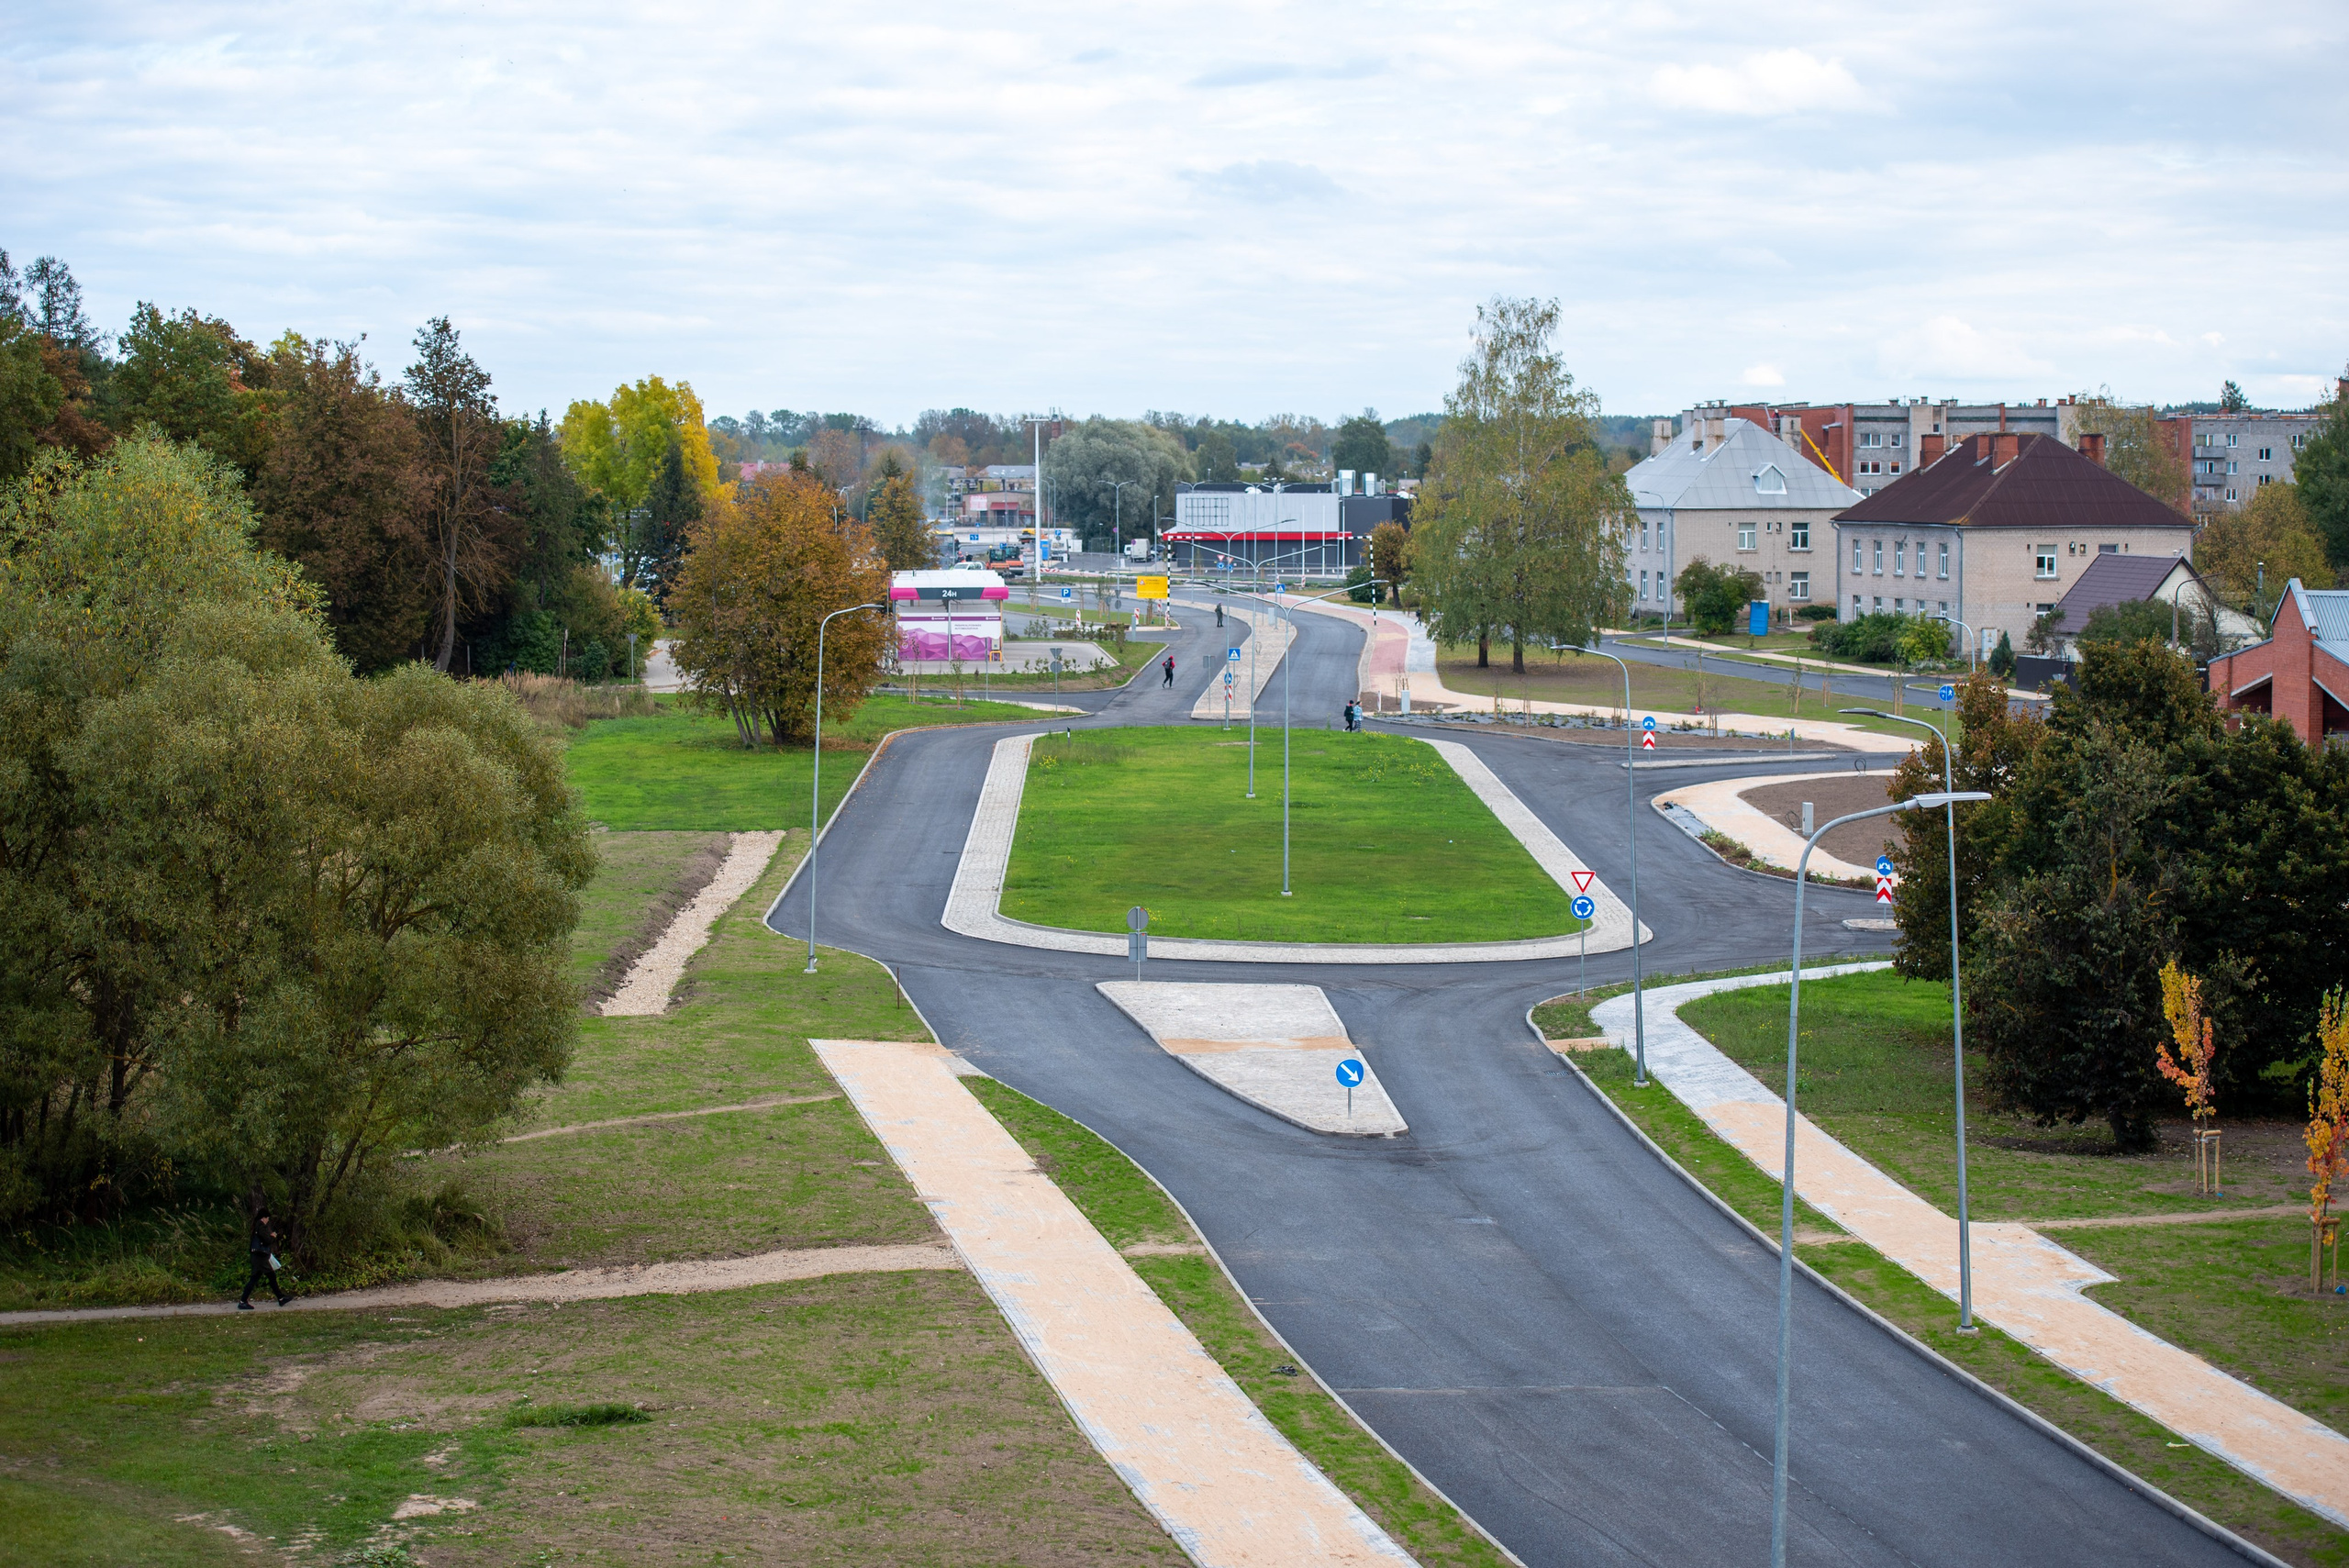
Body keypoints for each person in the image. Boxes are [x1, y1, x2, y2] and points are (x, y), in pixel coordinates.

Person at [239, 1198, 290, 1309]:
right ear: (264, 1218)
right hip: (260, 1257)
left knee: (257, 1278)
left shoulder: (256, 1225)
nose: (268, 1220)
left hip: (257, 1256)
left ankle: (280, 1298)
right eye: (267, 1218)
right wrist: (273, 1236)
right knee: (270, 1276)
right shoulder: (261, 1226)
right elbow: (267, 1240)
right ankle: (280, 1298)